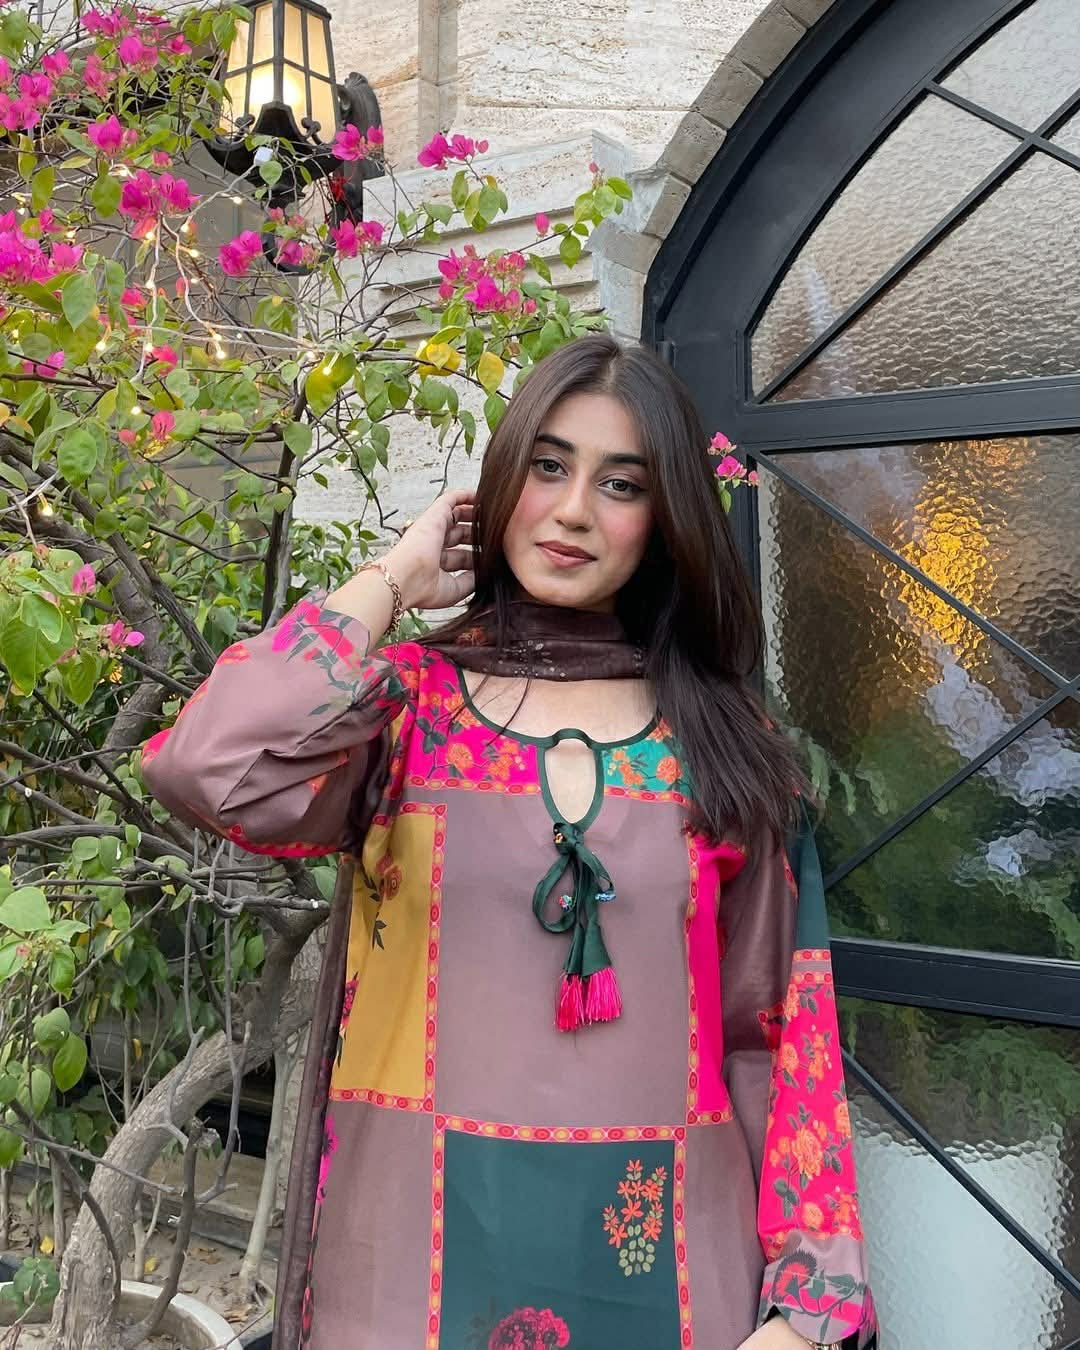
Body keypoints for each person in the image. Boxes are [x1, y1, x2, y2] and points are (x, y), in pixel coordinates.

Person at [142, 334, 877, 1350]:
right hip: (404, 1276)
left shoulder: (725, 747)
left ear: (664, 519)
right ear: (498, 485)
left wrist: (806, 1309)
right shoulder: (404, 713)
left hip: (673, 1278)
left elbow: (783, 1034)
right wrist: (392, 580)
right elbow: (206, 767)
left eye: (621, 484)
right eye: (547, 466)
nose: (573, 511)